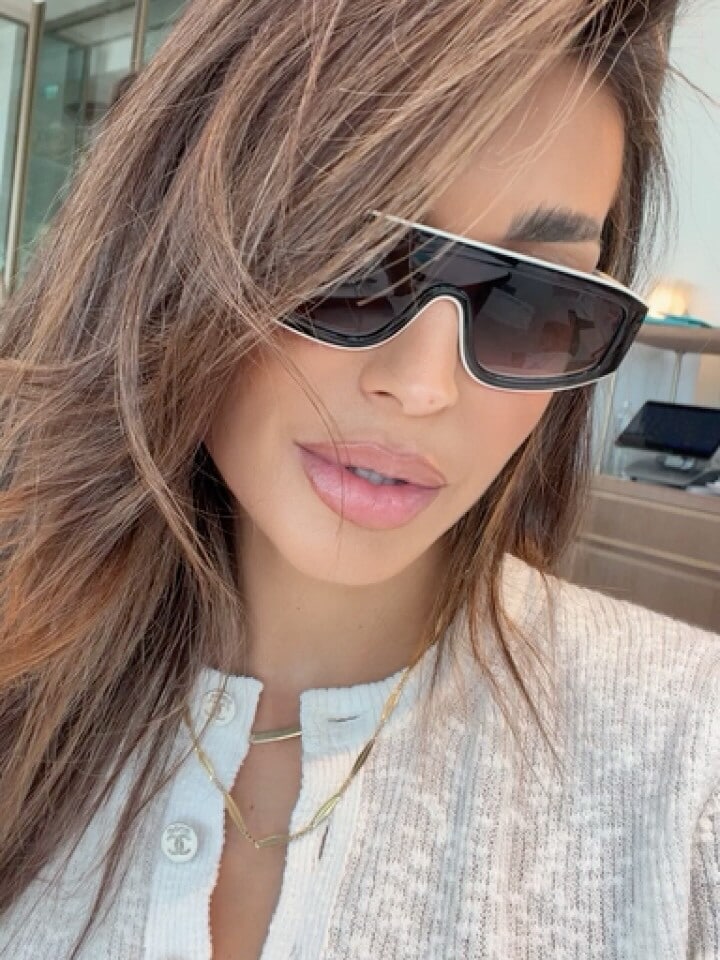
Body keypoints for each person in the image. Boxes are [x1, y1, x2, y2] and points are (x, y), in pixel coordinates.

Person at [0, 0, 717, 958]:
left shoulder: (687, 764)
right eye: (353, 259)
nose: (423, 385)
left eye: (532, 299)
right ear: (170, 239)